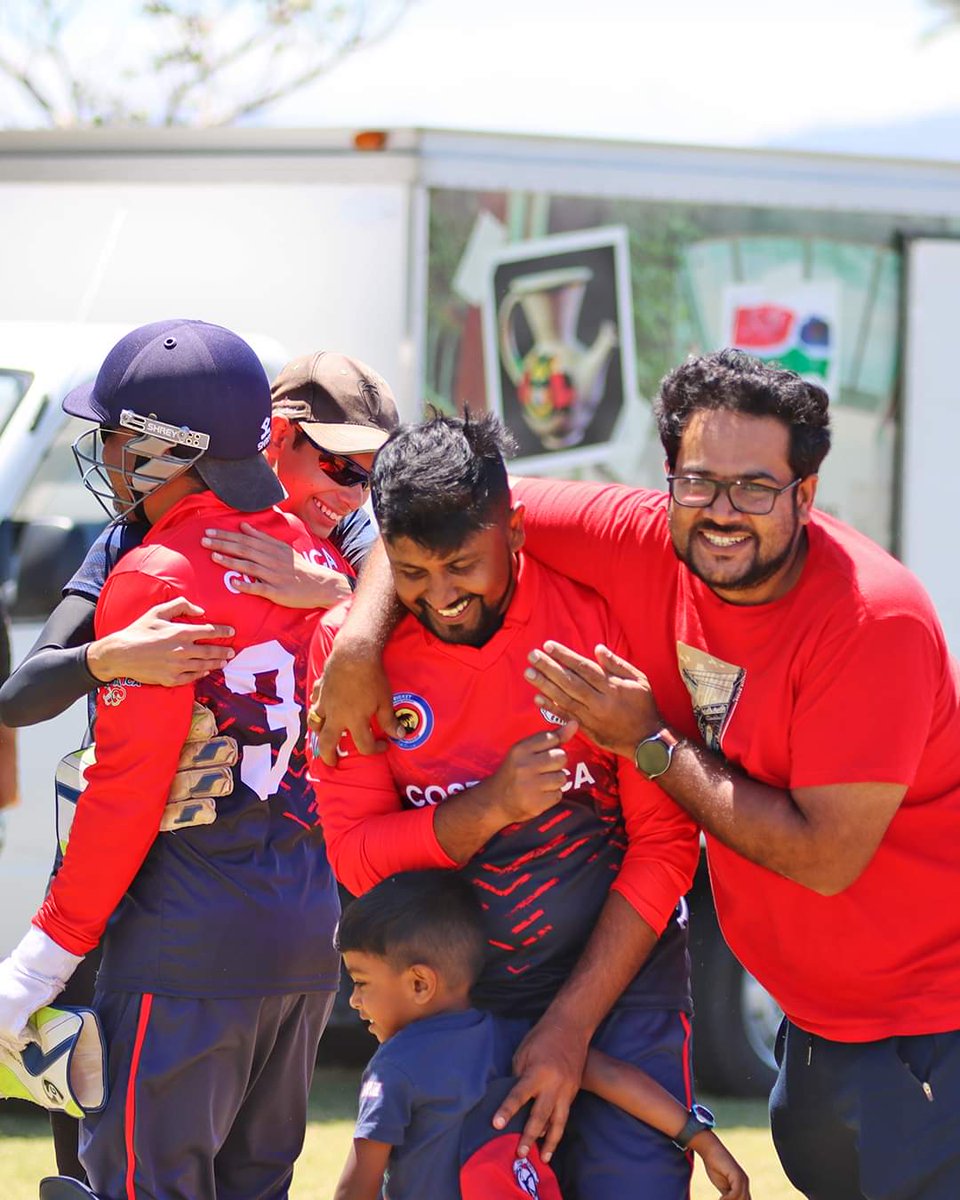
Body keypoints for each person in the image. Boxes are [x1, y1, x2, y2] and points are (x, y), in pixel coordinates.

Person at [0, 345, 397, 1184]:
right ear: (271, 438)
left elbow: (128, 794)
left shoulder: (330, 561)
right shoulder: (274, 550)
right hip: (281, 938)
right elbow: (23, 689)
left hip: (178, 935)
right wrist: (108, 658)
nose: (351, 494)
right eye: (334, 465)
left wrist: (37, 960)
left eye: (367, 475)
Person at [307, 412, 700, 1200]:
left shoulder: (597, 623)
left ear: (515, 530)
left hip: (622, 988)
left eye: (462, 566)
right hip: (460, 1007)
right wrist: (486, 809)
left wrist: (570, 1024)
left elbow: (666, 846)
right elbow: (353, 856)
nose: (442, 598)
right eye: (412, 573)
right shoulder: (353, 657)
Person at [334, 868, 750, 1200]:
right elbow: (612, 1076)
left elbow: (357, 1187)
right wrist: (700, 1138)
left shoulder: (392, 1069)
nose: (353, 1000)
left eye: (361, 982)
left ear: (420, 984)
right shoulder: (521, 1041)